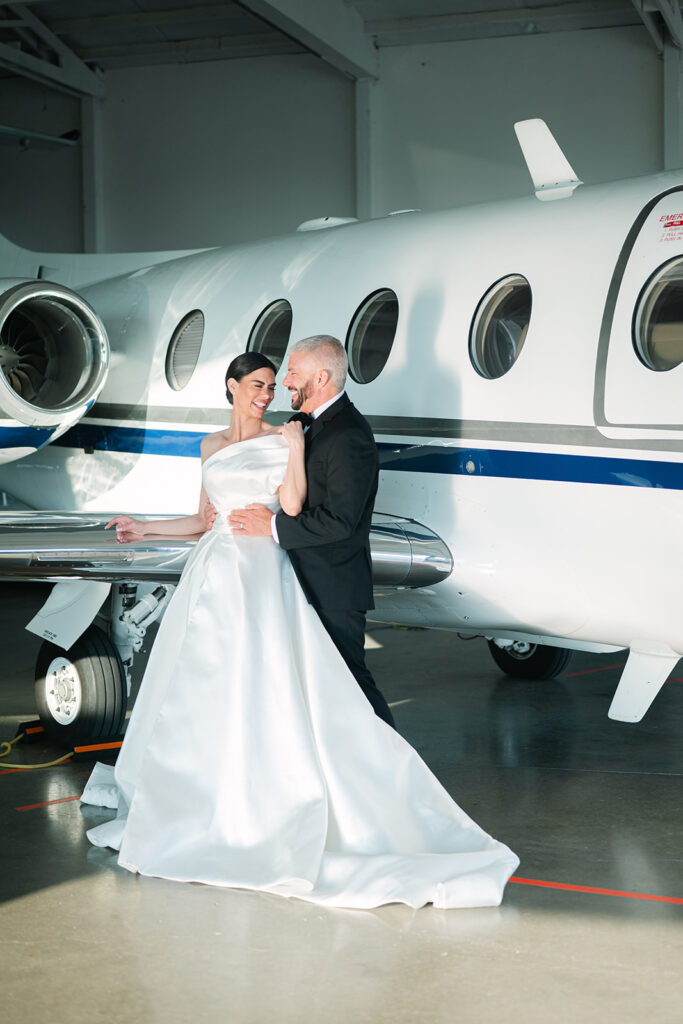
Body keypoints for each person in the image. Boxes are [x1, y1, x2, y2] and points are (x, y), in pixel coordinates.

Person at [81, 350, 519, 909]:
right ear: (233, 387)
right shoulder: (210, 446)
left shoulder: (287, 438)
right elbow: (200, 520)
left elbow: (291, 504)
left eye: (276, 382)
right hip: (212, 572)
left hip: (261, 570)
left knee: (272, 685)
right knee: (200, 688)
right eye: (260, 384)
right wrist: (142, 529)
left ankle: (305, 795)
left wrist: (290, 452)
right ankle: (198, 793)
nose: (269, 392)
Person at [226, 335, 394, 728]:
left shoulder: (349, 435)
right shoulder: (309, 424)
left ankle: (395, 772)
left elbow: (340, 521)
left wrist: (269, 526)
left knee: (351, 686)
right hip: (298, 583)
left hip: (332, 589)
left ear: (321, 378)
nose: (284, 382)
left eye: (292, 373)